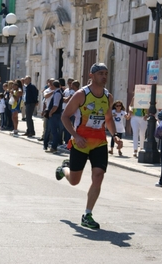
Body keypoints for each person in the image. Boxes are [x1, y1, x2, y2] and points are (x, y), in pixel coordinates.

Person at [55, 63, 123, 229]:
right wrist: (75, 136)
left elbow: (108, 119)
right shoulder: (81, 95)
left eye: (106, 73)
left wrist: (115, 136)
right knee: (74, 181)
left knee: (98, 176)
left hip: (99, 143)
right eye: (101, 73)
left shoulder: (108, 97)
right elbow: (65, 116)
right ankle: (64, 169)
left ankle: (87, 214)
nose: (104, 76)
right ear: (91, 75)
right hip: (81, 143)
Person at [45, 80, 64, 153]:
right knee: (54, 131)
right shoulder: (57, 93)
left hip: (55, 115)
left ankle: (54, 147)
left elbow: (55, 105)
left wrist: (50, 112)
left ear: (53, 86)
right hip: (56, 114)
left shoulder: (57, 94)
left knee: (54, 131)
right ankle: (54, 146)